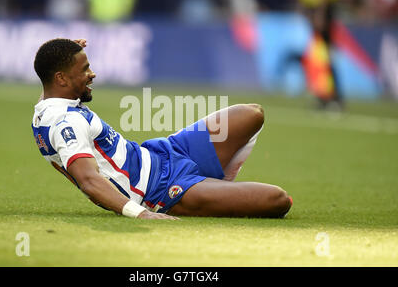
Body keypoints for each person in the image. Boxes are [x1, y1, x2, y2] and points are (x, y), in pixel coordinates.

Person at [31, 38, 292, 220]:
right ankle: (207, 191)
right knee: (278, 200)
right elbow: (89, 181)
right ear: (62, 78)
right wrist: (140, 212)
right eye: (85, 69)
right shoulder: (66, 124)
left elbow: (50, 73)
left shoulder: (50, 105)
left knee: (251, 114)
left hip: (164, 152)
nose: (93, 74)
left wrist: (67, 49)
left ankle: (214, 186)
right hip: (162, 190)